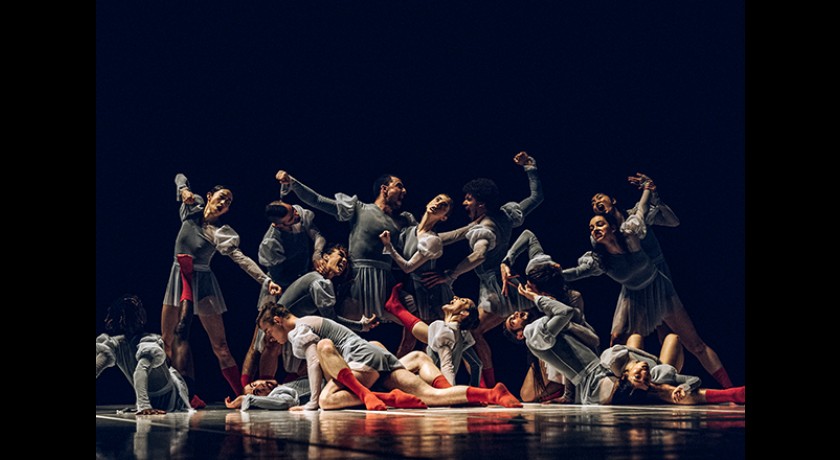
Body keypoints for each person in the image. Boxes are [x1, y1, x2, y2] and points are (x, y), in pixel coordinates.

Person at [563, 186, 733, 388]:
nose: (595, 203)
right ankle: (621, 387)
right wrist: (551, 275)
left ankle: (729, 389)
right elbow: (579, 271)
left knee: (684, 341)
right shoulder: (602, 254)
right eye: (592, 203)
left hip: (656, 283)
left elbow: (664, 218)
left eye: (599, 198)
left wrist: (649, 191)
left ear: (613, 200)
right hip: (633, 292)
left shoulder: (632, 228)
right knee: (619, 341)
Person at [507, 283, 745, 405]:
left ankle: (730, 394)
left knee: (656, 388)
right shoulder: (533, 333)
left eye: (518, 313)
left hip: (601, 378)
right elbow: (565, 311)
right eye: (512, 320)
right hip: (596, 385)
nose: (519, 314)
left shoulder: (551, 327)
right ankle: (730, 394)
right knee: (658, 391)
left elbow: (591, 339)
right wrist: (535, 298)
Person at [257, 301, 523, 410]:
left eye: (269, 330)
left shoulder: (297, 330)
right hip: (374, 358)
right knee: (431, 396)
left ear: (278, 320)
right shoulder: (309, 321)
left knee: (327, 400)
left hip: (362, 360)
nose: (270, 338)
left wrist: (311, 402)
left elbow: (316, 360)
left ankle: (375, 396)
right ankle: (490, 394)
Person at [424, 151, 543, 387]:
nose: (464, 203)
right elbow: (536, 197)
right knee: (472, 333)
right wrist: (530, 167)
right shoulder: (504, 215)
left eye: (468, 199)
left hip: (495, 289)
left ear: (481, 202)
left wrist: (450, 275)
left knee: (473, 332)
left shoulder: (487, 226)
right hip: (504, 284)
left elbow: (478, 255)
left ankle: (486, 386)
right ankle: (483, 384)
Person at [161, 173, 282, 402]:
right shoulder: (192, 207)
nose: (225, 203)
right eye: (223, 197)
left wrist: (266, 280)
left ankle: (241, 397)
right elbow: (179, 176)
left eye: (229, 203)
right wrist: (183, 190)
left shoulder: (220, 232)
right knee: (167, 341)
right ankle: (178, 395)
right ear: (209, 196)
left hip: (203, 282)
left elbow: (241, 259)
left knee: (221, 346)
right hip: (177, 276)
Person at [274, 170, 415, 325]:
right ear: (384, 189)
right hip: (357, 281)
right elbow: (318, 200)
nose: (404, 191)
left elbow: (427, 239)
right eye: (399, 186)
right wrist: (293, 182)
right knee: (347, 330)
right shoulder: (359, 209)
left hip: (386, 282)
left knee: (411, 320)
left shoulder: (403, 221)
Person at [256, 244, 379, 384]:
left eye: (346, 260)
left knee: (314, 357)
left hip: (294, 330)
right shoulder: (318, 282)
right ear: (325, 257)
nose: (344, 261)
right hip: (282, 327)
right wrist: (361, 326)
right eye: (341, 255)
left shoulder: (323, 282)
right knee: (276, 347)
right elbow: (331, 319)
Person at [241, 198, 326, 389]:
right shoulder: (271, 242)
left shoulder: (298, 215)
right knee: (265, 342)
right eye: (290, 217)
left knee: (301, 340)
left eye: (293, 211)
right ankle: (253, 387)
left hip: (301, 286)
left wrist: (317, 253)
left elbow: (317, 235)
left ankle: (287, 386)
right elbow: (280, 275)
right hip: (279, 289)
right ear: (277, 224)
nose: (296, 215)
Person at [379, 192, 475, 356]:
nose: (438, 204)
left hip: (428, 294)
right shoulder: (409, 232)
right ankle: (395, 377)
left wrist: (388, 247)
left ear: (444, 217)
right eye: (437, 199)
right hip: (412, 289)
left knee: (429, 342)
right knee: (409, 339)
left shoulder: (432, 240)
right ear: (429, 202)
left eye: (444, 206)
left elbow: (408, 267)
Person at [97, 294, 191, 414]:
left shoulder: (149, 342)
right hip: (151, 395)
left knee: (180, 338)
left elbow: (140, 371)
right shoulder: (115, 345)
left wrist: (144, 405)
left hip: (171, 396)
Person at [382, 286, 483, 386]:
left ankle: (396, 308)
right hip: (429, 382)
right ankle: (396, 308)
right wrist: (475, 389)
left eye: (462, 300)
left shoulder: (446, 332)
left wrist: (449, 393)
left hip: (428, 385)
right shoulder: (460, 335)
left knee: (417, 357)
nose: (455, 297)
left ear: (464, 313)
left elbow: (447, 366)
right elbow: (477, 365)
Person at [223, 377, 313, 411]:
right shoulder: (276, 394)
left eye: (254, 384)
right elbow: (286, 402)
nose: (259, 386)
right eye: (257, 392)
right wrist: (247, 399)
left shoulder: (284, 385)